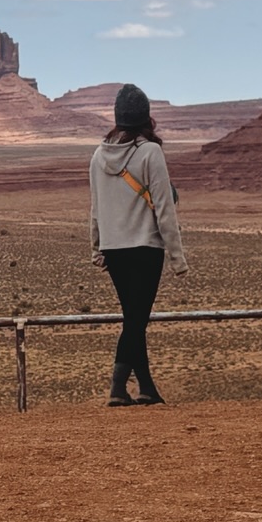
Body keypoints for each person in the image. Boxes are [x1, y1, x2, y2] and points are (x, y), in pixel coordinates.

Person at [88, 84, 187, 406]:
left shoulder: (98, 156)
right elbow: (165, 208)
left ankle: (146, 388)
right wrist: (177, 257)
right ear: (146, 118)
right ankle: (117, 388)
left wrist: (97, 247)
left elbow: (95, 208)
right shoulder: (150, 152)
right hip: (145, 248)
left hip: (114, 249)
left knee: (134, 317)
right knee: (136, 320)